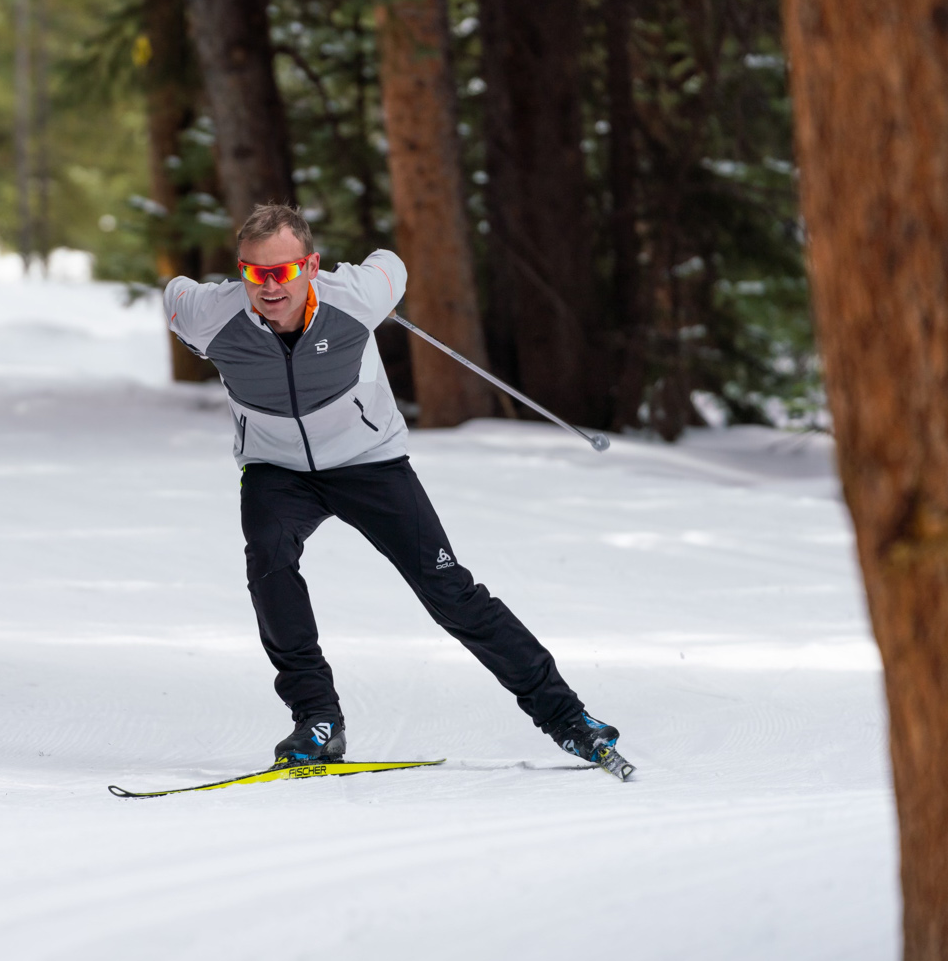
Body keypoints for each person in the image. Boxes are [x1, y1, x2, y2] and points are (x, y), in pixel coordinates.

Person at [163, 203, 623, 770]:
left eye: (283, 271)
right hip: (275, 468)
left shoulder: (355, 298)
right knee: (269, 562)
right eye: (255, 273)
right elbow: (175, 295)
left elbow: (392, 265)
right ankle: (317, 720)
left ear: (311, 266)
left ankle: (568, 718)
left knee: (449, 590)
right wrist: (197, 343)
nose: (269, 287)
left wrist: (367, 292)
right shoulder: (211, 315)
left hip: (369, 462)